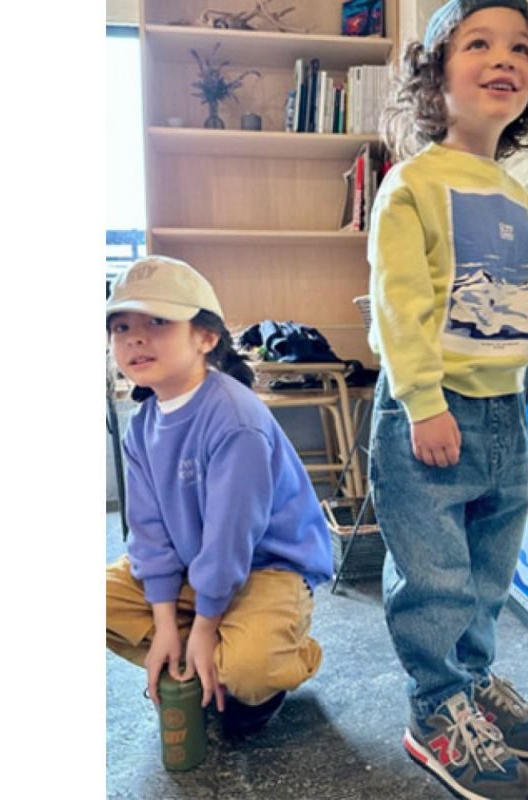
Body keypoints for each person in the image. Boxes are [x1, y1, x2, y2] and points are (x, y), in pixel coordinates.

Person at [368, 1, 528, 797]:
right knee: (435, 577)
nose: (504, 58)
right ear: (435, 77)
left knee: (488, 573)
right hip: (429, 413)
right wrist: (423, 402)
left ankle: (471, 684)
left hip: (506, 415)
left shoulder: (520, 202)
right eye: (479, 43)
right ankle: (436, 710)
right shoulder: (411, 186)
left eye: (520, 48)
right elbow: (399, 306)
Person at [105, 255, 333, 736]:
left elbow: (231, 539)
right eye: (121, 327)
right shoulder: (142, 426)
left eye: (158, 321)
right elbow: (148, 534)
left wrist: (205, 625)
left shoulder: (234, 418)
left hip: (267, 568)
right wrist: (164, 626)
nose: (135, 338)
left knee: (250, 670)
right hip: (196, 565)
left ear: (206, 337)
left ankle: (273, 653)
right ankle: (201, 659)